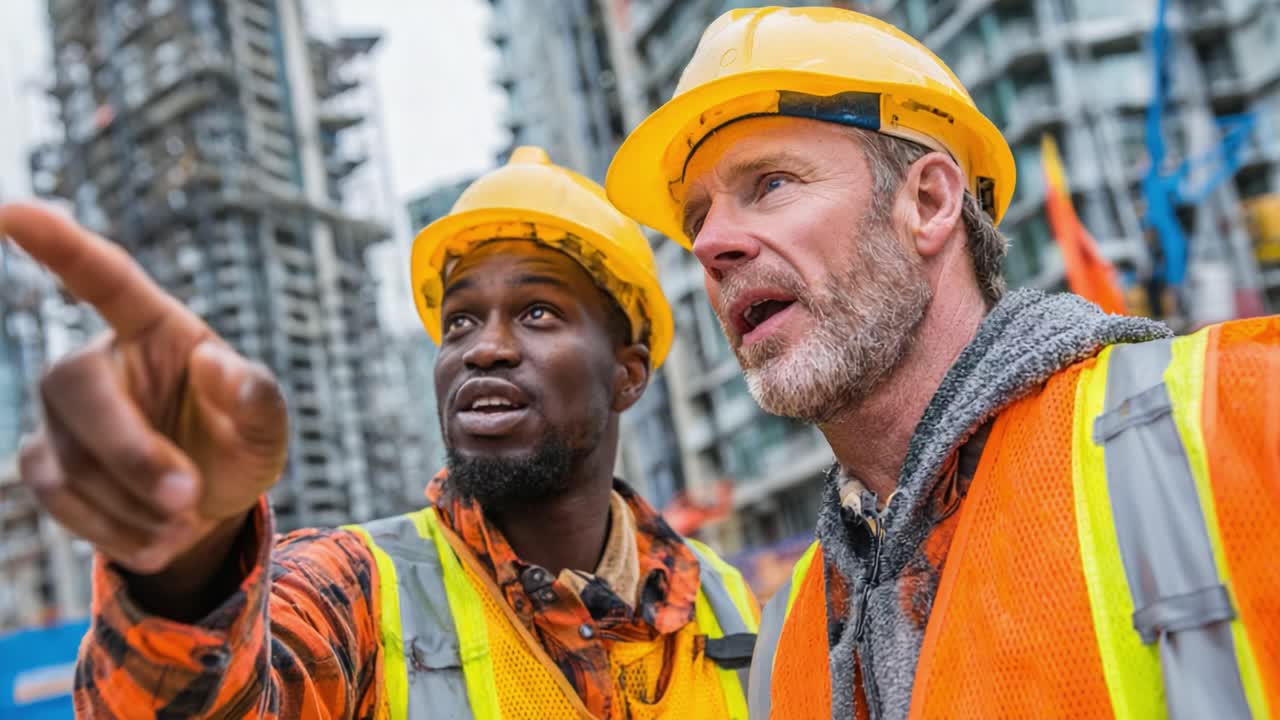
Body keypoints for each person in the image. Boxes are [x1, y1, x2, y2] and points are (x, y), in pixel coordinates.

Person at [605, 7, 1280, 719]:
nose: (710, 245)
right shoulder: (788, 637)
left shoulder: (1233, 414)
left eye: (770, 183)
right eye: (696, 219)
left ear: (928, 202)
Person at [0, 146, 760, 719]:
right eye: (459, 320)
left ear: (628, 374)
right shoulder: (360, 591)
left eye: (537, 312)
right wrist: (185, 575)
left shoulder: (732, 611)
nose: (482, 347)